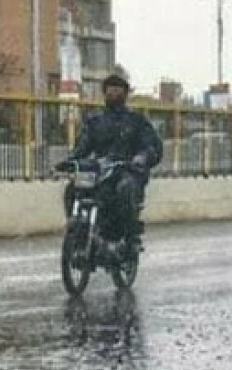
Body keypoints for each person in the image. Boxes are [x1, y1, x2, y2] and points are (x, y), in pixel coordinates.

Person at [58, 72, 163, 254]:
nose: (113, 94)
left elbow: (152, 146)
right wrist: (70, 161)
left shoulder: (136, 121)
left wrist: (142, 158)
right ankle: (77, 230)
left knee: (125, 189)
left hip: (128, 171)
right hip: (100, 172)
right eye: (110, 90)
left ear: (125, 94)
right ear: (104, 94)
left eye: (118, 90)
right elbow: (83, 146)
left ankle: (130, 238)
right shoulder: (95, 122)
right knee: (72, 189)